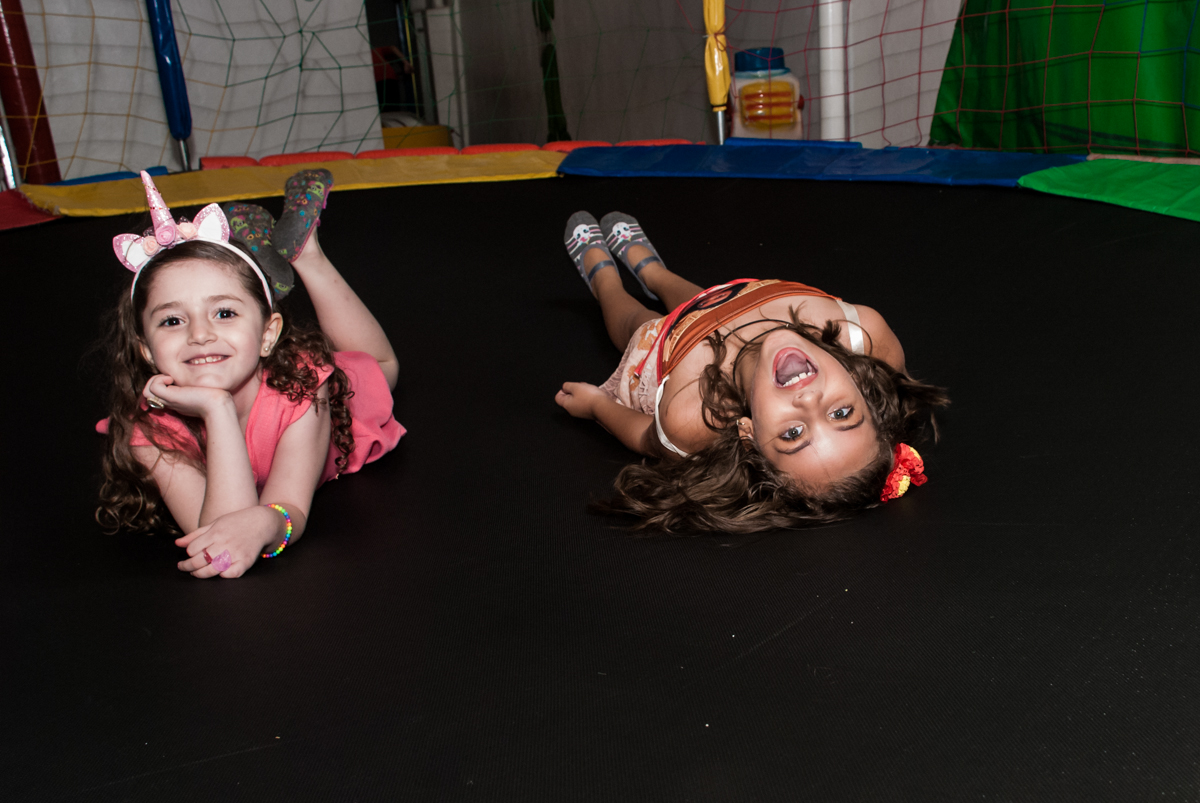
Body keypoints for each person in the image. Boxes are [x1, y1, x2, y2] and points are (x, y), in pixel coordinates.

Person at [555, 211, 948, 533]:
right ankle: (652, 270)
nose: (809, 401)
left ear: (748, 432)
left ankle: (603, 279)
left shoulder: (691, 415)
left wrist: (596, 406)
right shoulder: (865, 336)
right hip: (728, 300)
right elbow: (713, 306)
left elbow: (644, 437)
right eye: (842, 413)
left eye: (792, 434)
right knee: (697, 296)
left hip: (668, 348)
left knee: (632, 320)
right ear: (863, 387)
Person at [96, 169, 404, 578]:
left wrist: (272, 522)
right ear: (147, 351)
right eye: (172, 321)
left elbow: (289, 508)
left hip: (335, 410)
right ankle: (261, 276)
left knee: (383, 368)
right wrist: (217, 408)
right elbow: (217, 537)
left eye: (224, 313)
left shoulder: (305, 390)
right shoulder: (150, 431)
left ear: (267, 336)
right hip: (259, 366)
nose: (201, 334)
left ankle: (306, 257)